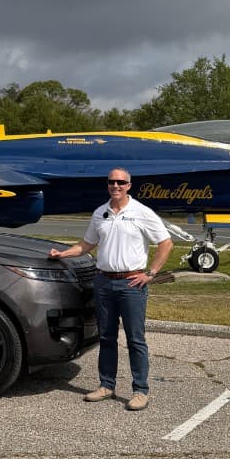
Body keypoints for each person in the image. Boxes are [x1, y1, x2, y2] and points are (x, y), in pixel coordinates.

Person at [49, 167, 173, 411]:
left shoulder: (141, 212)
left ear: (128, 186)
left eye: (120, 182)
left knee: (135, 339)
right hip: (104, 282)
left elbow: (166, 242)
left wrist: (150, 273)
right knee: (106, 336)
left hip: (131, 284)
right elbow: (87, 244)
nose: (115, 186)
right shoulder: (100, 213)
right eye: (111, 182)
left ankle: (140, 390)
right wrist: (63, 253)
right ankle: (106, 385)